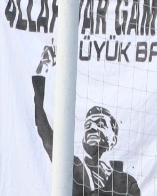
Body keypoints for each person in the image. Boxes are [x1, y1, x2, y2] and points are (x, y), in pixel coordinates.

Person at [31, 47, 144, 196]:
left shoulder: (126, 182)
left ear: (113, 139)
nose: (92, 128)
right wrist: (43, 70)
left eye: (101, 124)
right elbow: (45, 129)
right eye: (88, 125)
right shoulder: (70, 166)